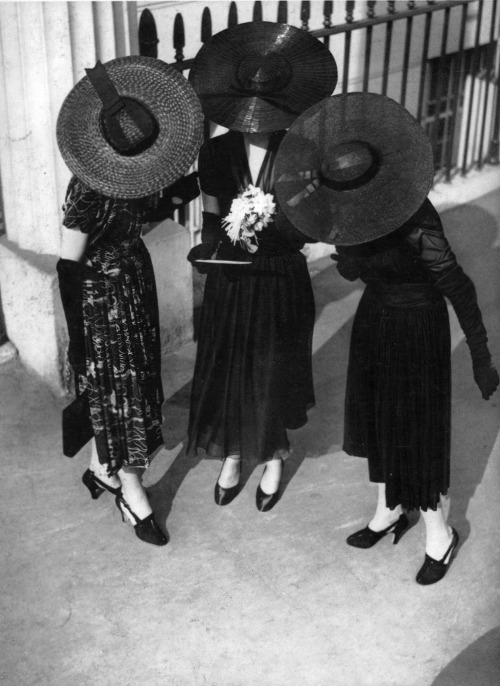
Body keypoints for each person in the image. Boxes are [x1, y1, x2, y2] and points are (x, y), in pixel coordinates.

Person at [274, 92, 499, 583]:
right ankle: (390, 507)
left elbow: (455, 283)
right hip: (377, 319)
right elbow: (362, 268)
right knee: (379, 417)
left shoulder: (418, 217)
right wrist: (352, 261)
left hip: (418, 325)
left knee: (416, 427)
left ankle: (439, 533)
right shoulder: (350, 211)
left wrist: (480, 355)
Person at [186, 21, 337, 510]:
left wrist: (269, 228)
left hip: (279, 277)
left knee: (273, 369)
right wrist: (221, 240)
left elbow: (315, 226)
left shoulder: (301, 152)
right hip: (232, 277)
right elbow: (209, 214)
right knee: (231, 364)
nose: (257, 118)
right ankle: (233, 453)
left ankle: (272, 455)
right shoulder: (216, 152)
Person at [56, 56, 203, 545]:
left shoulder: (138, 172)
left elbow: (149, 208)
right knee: (121, 395)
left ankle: (102, 468)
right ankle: (132, 493)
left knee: (138, 384)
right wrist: (78, 340)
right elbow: (68, 267)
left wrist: (203, 181)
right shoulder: (88, 189)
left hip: (136, 285)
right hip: (102, 303)